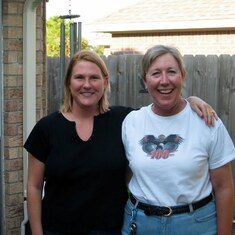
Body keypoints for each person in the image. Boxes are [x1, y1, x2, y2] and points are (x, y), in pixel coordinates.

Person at [24, 50, 217, 235]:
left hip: (112, 229)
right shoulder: (47, 128)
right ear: (68, 82)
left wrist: (192, 100)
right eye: (79, 77)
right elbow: (34, 186)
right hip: (57, 230)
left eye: (94, 78)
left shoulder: (125, 121)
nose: (87, 84)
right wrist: (37, 232)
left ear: (105, 81)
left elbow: (160, 108)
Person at [121, 45, 235, 235]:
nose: (164, 81)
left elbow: (224, 187)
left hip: (196, 225)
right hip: (140, 225)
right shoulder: (131, 122)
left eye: (171, 72)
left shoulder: (207, 122)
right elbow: (126, 172)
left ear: (182, 75)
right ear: (145, 80)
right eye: (156, 73)